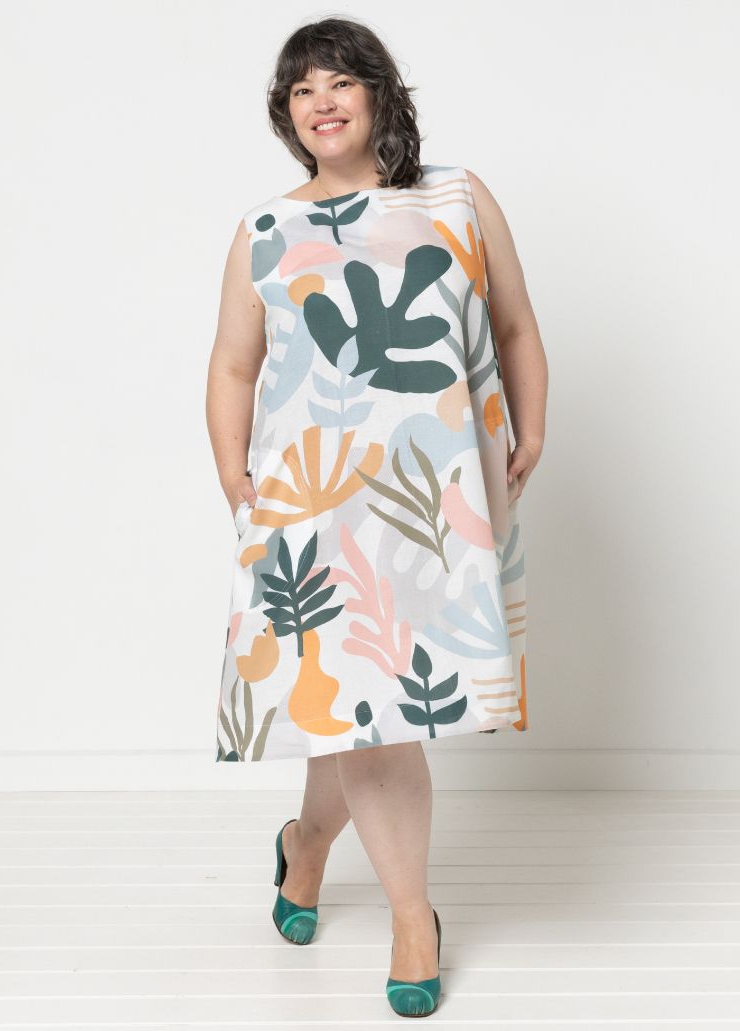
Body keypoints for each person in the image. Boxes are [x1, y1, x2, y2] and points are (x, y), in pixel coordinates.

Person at [206, 16, 547, 1018]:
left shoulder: (456, 197)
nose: (321, 100)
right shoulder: (264, 232)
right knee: (368, 715)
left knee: (363, 708)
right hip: (315, 500)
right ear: (288, 114)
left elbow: (515, 322)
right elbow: (233, 364)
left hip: (431, 499)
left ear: (377, 93)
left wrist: (532, 425)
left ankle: (305, 843)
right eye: (301, 88)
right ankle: (412, 918)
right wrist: (233, 472)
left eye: (339, 80)